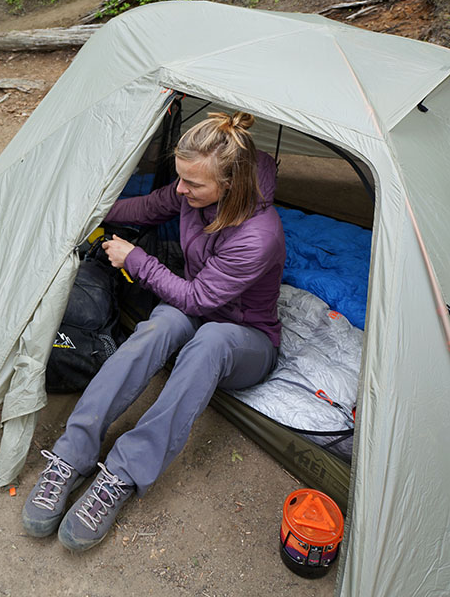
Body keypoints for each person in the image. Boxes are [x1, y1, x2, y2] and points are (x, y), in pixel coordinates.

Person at [22, 111, 285, 551]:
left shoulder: (259, 236)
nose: (181, 190)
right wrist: (88, 213)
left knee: (210, 341)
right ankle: (73, 452)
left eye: (193, 184)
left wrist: (137, 261)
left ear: (230, 185)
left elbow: (199, 299)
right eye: (181, 179)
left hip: (247, 337)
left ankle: (122, 474)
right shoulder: (192, 191)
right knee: (160, 324)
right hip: (200, 309)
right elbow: (148, 206)